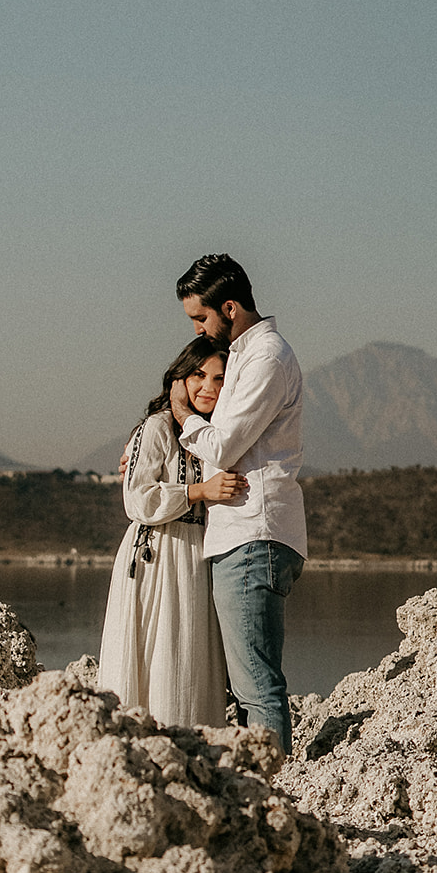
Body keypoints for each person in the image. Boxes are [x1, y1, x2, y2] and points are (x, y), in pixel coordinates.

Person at [169, 253, 306, 756]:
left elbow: (224, 446)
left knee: (255, 684)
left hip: (255, 533)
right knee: (247, 681)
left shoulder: (266, 357)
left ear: (229, 308)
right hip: (244, 534)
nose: (200, 332)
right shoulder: (248, 356)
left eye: (201, 319)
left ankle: (276, 793)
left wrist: (182, 416)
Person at [97, 337, 247, 728]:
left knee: (189, 659)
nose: (208, 387)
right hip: (158, 555)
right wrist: (199, 491)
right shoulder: (157, 427)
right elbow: (137, 501)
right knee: (158, 655)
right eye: (198, 375)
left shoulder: (220, 433)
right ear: (179, 378)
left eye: (219, 378)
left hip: (199, 556)